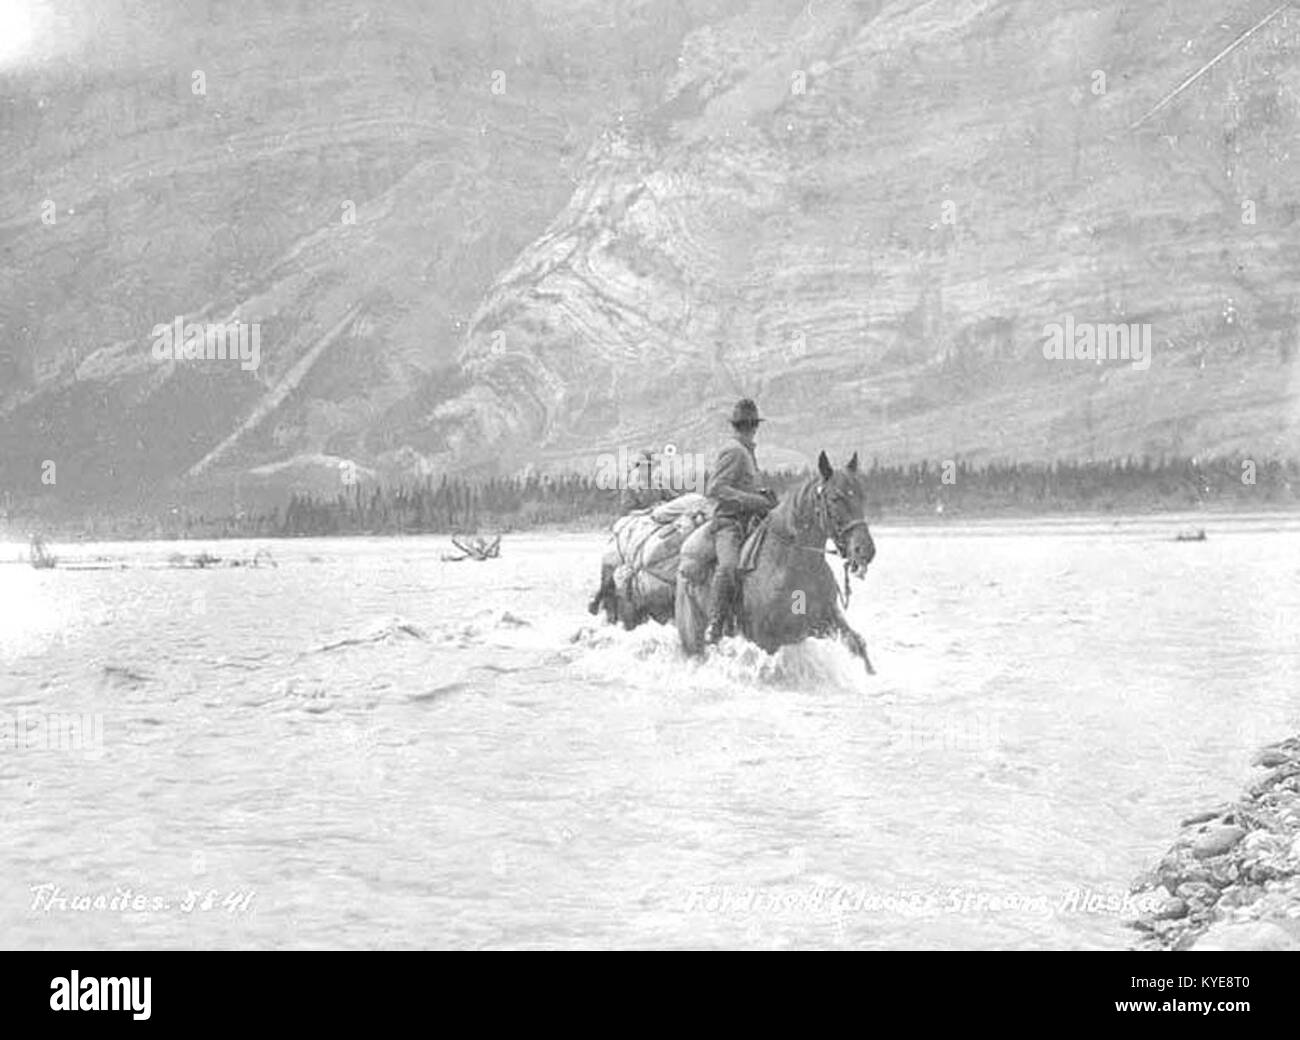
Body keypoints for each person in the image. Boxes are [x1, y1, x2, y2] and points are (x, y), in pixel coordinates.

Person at [703, 399, 777, 643]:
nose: (749, 430)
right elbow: (714, 488)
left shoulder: (747, 451)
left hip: (752, 521)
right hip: (729, 523)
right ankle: (715, 623)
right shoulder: (734, 450)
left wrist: (762, 496)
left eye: (750, 425)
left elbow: (745, 485)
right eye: (746, 426)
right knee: (729, 567)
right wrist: (752, 501)